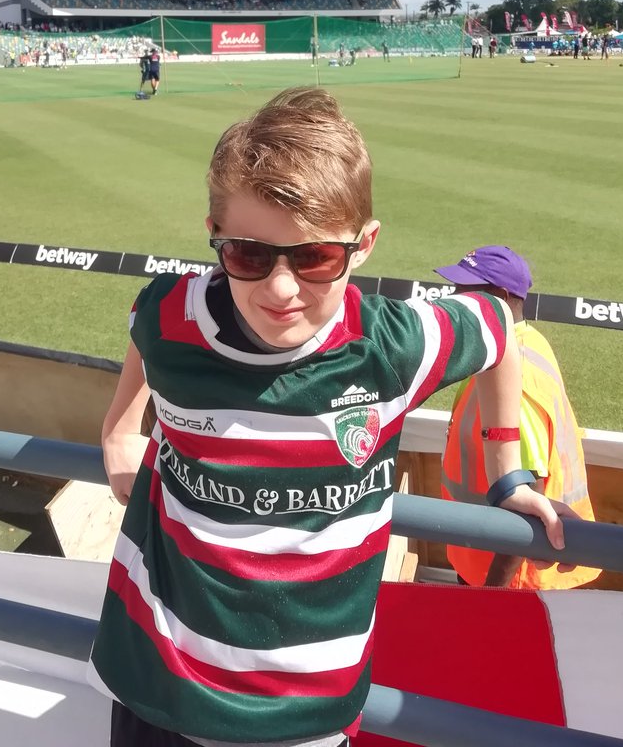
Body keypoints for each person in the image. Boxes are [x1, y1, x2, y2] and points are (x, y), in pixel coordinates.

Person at [92, 88, 568, 747]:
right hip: (157, 690)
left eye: (316, 258)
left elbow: (500, 328)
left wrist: (508, 474)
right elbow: (145, 330)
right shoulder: (174, 313)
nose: (281, 289)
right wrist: (120, 427)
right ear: (214, 237)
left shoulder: (393, 346)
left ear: (364, 244)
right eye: (249, 256)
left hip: (303, 721)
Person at [437, 246, 599, 591]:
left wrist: (491, 595)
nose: (452, 300)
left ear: (500, 297)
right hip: (490, 565)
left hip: (507, 581)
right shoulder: (517, 343)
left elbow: (528, 499)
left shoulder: (517, 374)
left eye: (464, 292)